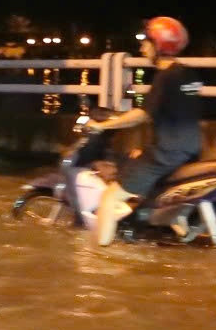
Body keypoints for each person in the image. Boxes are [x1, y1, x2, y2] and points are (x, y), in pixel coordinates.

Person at [87, 16, 204, 243]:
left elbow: (141, 115)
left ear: (159, 45)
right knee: (138, 161)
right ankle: (178, 229)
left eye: (145, 42)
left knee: (110, 197)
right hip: (191, 148)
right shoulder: (187, 73)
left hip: (166, 153)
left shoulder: (165, 77)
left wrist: (102, 125)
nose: (142, 48)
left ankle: (99, 255)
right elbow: (177, 109)